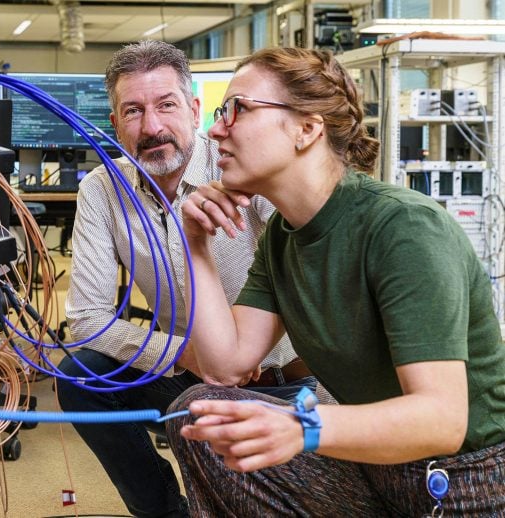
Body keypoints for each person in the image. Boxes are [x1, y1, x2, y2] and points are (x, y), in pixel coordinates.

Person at [166, 46, 505, 516]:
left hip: (464, 478)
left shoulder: (404, 228)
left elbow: (443, 420)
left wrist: (303, 426)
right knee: (204, 408)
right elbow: (225, 369)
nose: (215, 129)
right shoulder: (283, 236)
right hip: (370, 464)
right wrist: (195, 244)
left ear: (307, 128)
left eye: (238, 109)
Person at [56, 40, 317, 518]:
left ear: (195, 110)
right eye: (133, 111)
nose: (152, 127)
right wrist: (182, 353)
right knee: (79, 377)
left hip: (277, 382)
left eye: (166, 105)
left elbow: (306, 278)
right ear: (115, 124)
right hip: (187, 373)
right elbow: (88, 320)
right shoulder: (102, 190)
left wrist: (233, 358)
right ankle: (162, 511)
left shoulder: (241, 170)